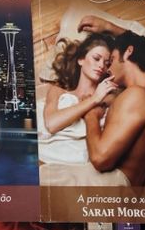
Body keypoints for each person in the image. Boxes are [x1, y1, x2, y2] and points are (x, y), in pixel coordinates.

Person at [72, 16, 145, 187]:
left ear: (128, 52)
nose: (107, 68)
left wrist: (91, 116)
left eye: (111, 60)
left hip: (109, 185)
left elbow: (100, 159)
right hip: (132, 189)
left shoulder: (137, 95)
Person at [38, 34, 118, 165]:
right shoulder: (57, 90)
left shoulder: (108, 98)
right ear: (81, 59)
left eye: (106, 63)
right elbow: (51, 124)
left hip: (73, 164)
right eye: (96, 58)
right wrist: (94, 99)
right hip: (41, 156)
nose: (101, 65)